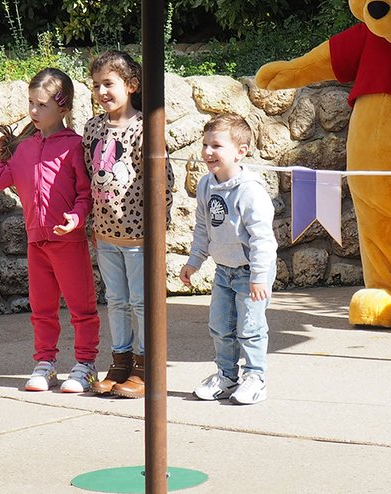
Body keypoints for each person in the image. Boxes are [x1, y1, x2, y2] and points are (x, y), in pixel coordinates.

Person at [0, 68, 98, 393]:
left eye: (42, 105)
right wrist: (0, 152)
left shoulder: (75, 146)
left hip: (69, 242)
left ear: (63, 108)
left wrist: (77, 219)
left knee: (82, 307)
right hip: (36, 243)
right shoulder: (23, 147)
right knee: (42, 309)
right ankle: (46, 363)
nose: (34, 111)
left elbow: (85, 193)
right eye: (31, 103)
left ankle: (86, 365)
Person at [84, 50, 173, 398]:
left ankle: (143, 364)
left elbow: (162, 181)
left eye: (109, 83)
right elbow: (89, 176)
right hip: (106, 233)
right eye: (96, 85)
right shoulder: (93, 127)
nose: (102, 91)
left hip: (138, 236)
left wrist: (157, 229)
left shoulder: (144, 128)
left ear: (132, 85)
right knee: (116, 300)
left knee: (141, 302)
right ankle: (119, 361)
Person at [179, 114, 277, 405]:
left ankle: (255, 378)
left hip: (251, 273)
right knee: (220, 326)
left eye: (217, 146)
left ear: (240, 151)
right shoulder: (206, 185)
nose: (208, 152)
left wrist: (259, 276)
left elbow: (262, 239)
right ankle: (226, 376)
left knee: (250, 328)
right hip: (224, 270)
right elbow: (202, 226)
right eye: (205, 144)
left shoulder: (250, 191)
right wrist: (194, 260)